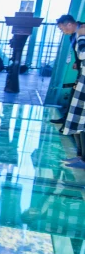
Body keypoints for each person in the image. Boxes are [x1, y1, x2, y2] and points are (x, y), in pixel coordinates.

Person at [61, 23, 85, 169]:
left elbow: (82, 53)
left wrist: (80, 35)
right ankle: (80, 156)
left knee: (83, 122)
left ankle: (83, 159)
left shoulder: (80, 34)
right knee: (78, 121)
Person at [52, 15, 82, 125]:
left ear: (69, 24)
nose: (62, 31)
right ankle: (67, 119)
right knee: (74, 94)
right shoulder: (72, 35)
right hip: (82, 70)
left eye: (61, 28)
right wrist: (77, 62)